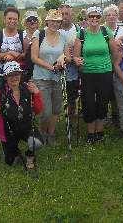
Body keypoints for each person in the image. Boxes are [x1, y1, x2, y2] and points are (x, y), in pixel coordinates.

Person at [0, 62, 43, 170]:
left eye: (17, 74)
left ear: (20, 75)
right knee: (11, 162)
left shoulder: (27, 88)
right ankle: (13, 152)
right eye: (10, 75)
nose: (14, 77)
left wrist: (36, 94)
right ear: (5, 77)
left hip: (26, 126)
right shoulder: (0, 93)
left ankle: (29, 155)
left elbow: (38, 110)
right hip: (8, 130)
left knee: (37, 143)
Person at [73, 6, 117, 143]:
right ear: (86, 18)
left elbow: (114, 52)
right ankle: (91, 133)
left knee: (103, 102)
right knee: (89, 103)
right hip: (87, 73)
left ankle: (100, 131)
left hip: (105, 73)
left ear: (100, 18)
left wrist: (110, 66)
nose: (94, 19)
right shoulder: (81, 34)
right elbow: (76, 55)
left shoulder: (106, 31)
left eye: (97, 16)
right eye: (91, 16)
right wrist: (77, 61)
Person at [30, 9, 69, 145]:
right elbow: (34, 57)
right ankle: (42, 133)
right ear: (47, 21)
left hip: (58, 78)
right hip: (41, 78)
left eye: (58, 21)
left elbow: (67, 55)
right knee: (45, 110)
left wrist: (63, 58)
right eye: (52, 21)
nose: (55, 24)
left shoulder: (63, 36)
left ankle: (51, 134)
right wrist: (51, 67)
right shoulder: (38, 34)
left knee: (56, 109)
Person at [0, 7, 27, 86]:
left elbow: (26, 54)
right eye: (9, 18)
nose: (12, 21)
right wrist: (9, 53)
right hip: (2, 74)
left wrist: (14, 57)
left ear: (18, 21)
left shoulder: (23, 35)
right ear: (4, 19)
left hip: (20, 74)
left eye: (15, 19)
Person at [58, 4, 81, 119]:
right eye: (62, 14)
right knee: (59, 94)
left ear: (71, 15)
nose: (64, 16)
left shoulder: (78, 29)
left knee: (72, 94)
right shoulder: (54, 30)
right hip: (59, 67)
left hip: (74, 69)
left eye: (67, 14)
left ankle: (72, 116)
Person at [22, 10, 41, 81]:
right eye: (29, 19)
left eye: (35, 19)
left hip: (39, 69)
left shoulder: (42, 34)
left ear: (38, 22)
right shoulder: (21, 35)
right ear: (25, 22)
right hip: (24, 69)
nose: (32, 21)